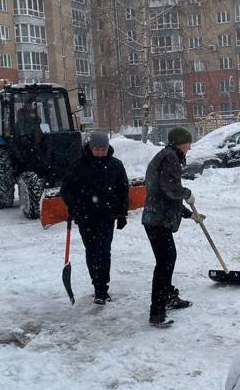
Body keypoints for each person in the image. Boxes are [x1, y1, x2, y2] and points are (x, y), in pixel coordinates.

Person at [141, 127, 203, 328]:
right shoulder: (170, 158)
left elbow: (163, 192)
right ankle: (157, 313)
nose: (190, 147)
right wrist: (187, 194)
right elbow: (171, 189)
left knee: (166, 260)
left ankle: (167, 296)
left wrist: (187, 213)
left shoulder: (167, 155)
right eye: (188, 143)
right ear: (179, 143)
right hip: (157, 220)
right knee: (165, 262)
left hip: (156, 216)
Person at [60, 132, 129, 305]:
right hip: (86, 217)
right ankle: (97, 285)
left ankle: (102, 288)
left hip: (107, 216)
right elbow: (66, 189)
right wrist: (74, 206)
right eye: (97, 149)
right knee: (91, 251)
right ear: (90, 148)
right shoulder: (79, 166)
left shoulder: (115, 165)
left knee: (104, 251)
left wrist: (121, 214)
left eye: (103, 149)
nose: (100, 152)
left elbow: (123, 191)